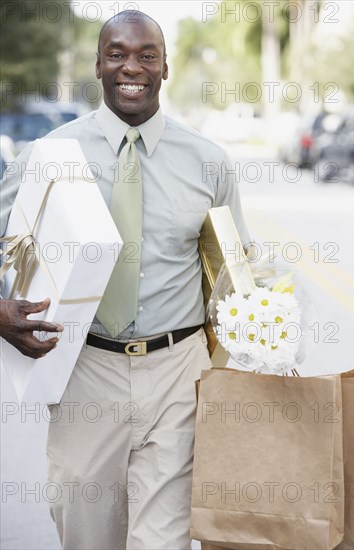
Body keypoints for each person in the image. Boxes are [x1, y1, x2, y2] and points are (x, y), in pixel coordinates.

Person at [0, 10, 251, 550]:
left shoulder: (209, 163)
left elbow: (235, 275)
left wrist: (260, 338)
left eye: (146, 55)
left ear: (165, 67)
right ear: (97, 64)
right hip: (84, 369)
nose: (130, 67)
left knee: (162, 542)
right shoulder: (48, 156)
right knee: (87, 535)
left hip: (178, 372)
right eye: (116, 54)